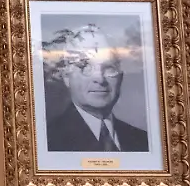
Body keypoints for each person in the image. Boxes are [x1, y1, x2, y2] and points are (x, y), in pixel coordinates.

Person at [43, 24, 148, 152]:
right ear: (66, 76)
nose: (100, 79)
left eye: (110, 68)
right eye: (85, 67)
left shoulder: (144, 141)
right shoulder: (46, 142)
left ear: (121, 75)